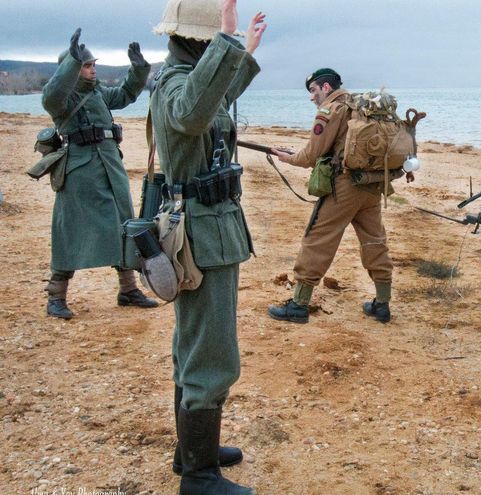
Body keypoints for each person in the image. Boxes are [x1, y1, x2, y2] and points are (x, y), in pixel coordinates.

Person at [150, 0, 266, 493]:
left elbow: (214, 98)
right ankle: (199, 477)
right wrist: (227, 41)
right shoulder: (176, 84)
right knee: (211, 351)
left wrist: (242, 53)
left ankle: (191, 451)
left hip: (208, 228)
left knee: (195, 342)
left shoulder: (185, 78)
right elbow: (193, 111)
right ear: (201, 41)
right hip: (201, 233)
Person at [41, 28, 157, 319]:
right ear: (71, 70)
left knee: (124, 224)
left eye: (93, 64)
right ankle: (56, 296)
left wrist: (138, 68)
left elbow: (127, 94)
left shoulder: (99, 93)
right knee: (69, 229)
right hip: (79, 172)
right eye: (86, 66)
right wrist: (72, 60)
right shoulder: (62, 99)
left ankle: (128, 289)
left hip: (110, 167)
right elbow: (52, 96)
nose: (92, 70)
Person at [268, 68, 396, 324]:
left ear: (326, 88)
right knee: (374, 241)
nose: (311, 97)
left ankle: (298, 305)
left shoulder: (331, 110)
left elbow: (311, 155)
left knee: (317, 240)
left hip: (345, 186)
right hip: (371, 185)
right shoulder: (360, 106)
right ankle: (382, 304)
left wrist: (288, 158)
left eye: (313, 90)